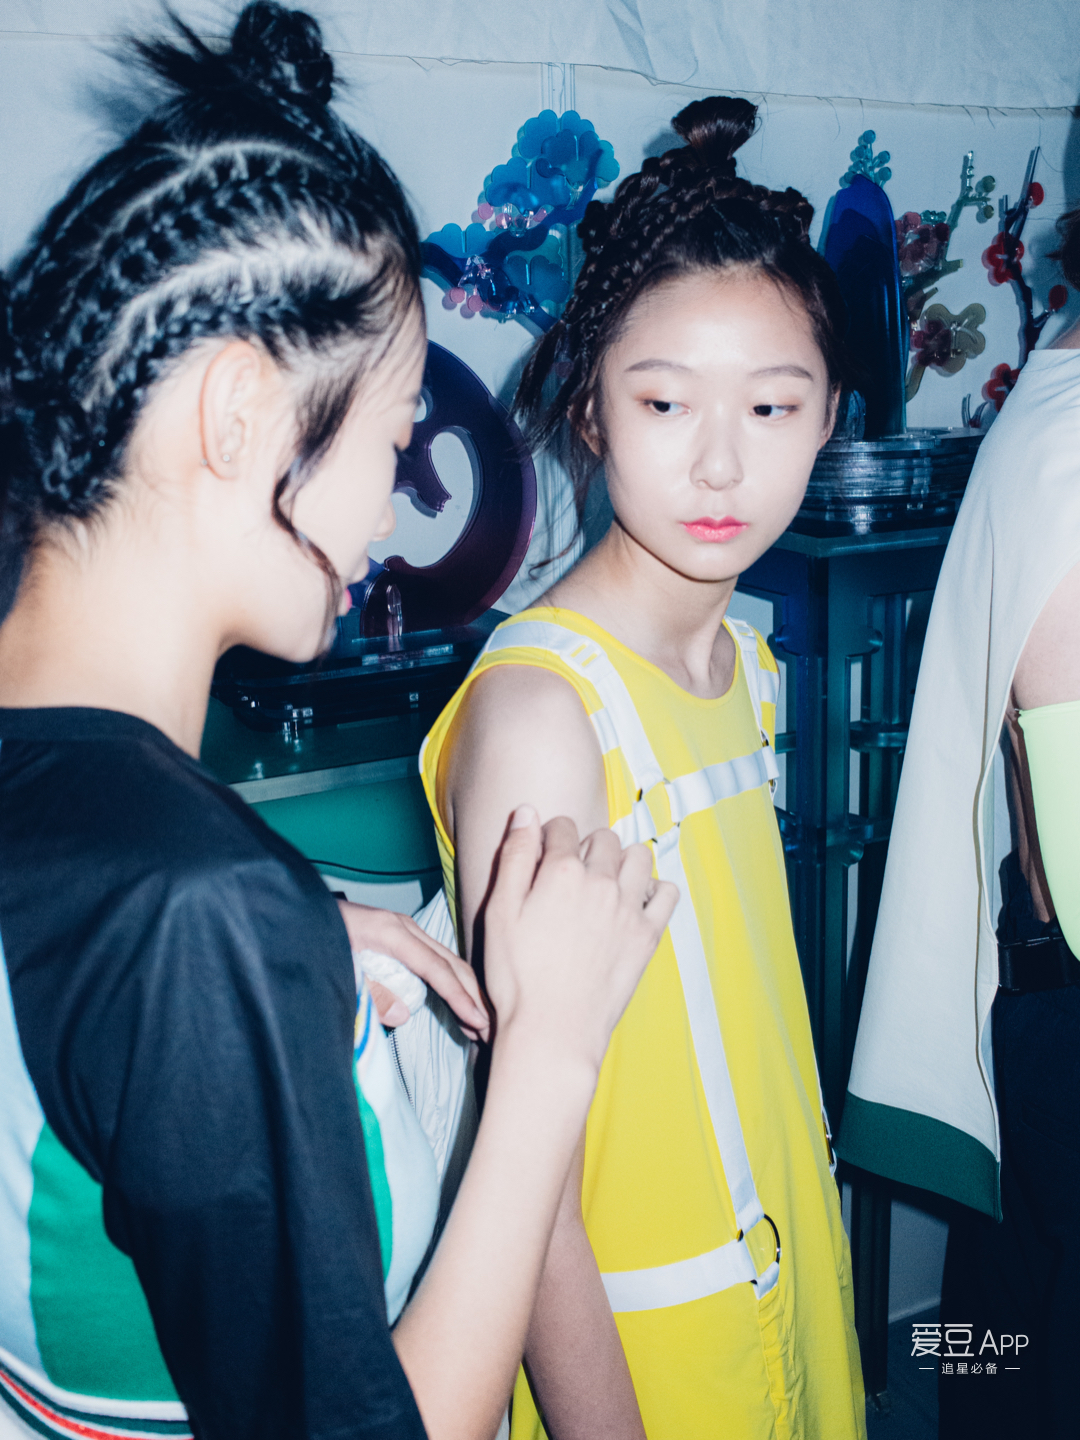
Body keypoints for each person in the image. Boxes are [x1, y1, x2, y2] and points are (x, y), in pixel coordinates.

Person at [0, 7, 677, 1440]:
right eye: (392, 433)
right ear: (243, 417)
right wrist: (550, 1050)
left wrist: (280, 943)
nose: (393, 500)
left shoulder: (126, 850)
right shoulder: (196, 906)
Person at [420, 98, 866, 1440]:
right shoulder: (546, 714)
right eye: (665, 402)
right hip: (630, 1353)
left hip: (783, 1287)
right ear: (593, 411)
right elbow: (535, 1188)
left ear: (830, 418)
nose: (721, 462)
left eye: (773, 406)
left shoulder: (744, 660)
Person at [839, 210, 1080, 1440]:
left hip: (1039, 993)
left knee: (1000, 1346)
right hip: (1064, 997)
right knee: (1026, 1362)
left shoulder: (1055, 395)